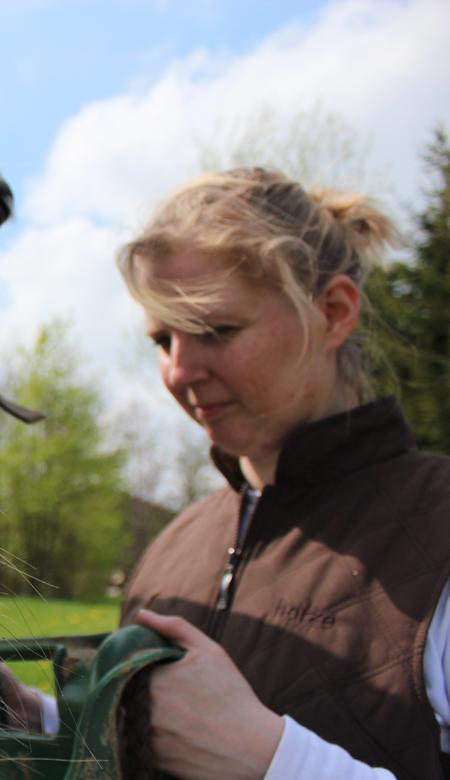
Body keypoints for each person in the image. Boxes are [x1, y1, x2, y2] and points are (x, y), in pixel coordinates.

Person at [111, 167, 450, 779]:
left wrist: (274, 761)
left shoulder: (438, 528)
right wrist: (51, 722)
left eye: (215, 329)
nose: (178, 374)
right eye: (163, 340)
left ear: (334, 313)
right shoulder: (172, 546)